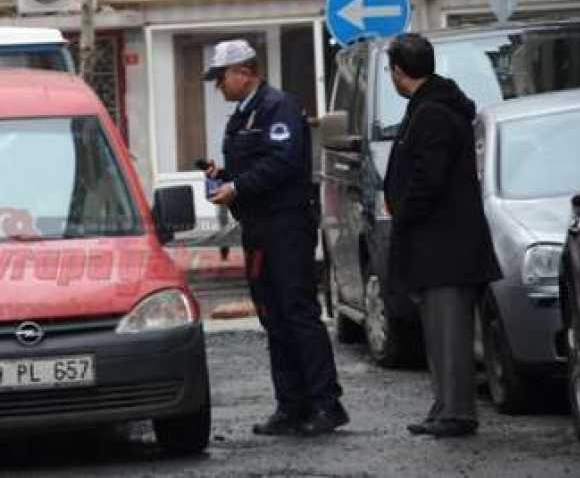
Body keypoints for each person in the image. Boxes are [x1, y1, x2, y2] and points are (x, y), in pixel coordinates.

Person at [201, 39, 348, 436]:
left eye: (221, 77)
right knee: (273, 316)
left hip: (286, 226)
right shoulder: (240, 118)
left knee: (298, 313)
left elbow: (283, 162)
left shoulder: (277, 107)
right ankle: (291, 405)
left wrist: (238, 187)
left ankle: (325, 404)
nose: (218, 86)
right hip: (258, 228)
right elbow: (244, 167)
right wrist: (222, 181)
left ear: (245, 72)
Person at [383, 33, 501, 438]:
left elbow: (427, 179)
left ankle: (456, 412)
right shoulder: (434, 105)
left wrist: (404, 212)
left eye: (391, 71)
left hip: (445, 246)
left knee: (449, 332)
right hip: (440, 244)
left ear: (399, 72)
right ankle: (445, 406)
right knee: (438, 331)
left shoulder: (432, 112)